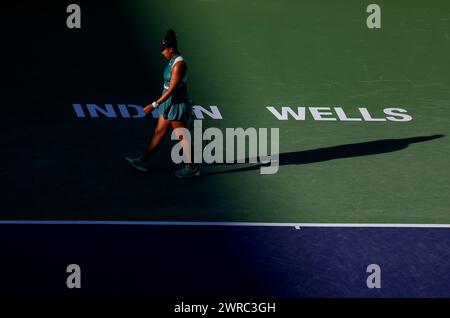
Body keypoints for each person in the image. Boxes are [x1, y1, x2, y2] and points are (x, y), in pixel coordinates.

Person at [125, 29, 200, 178]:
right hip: (168, 104)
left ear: (170, 49)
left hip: (176, 105)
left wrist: (154, 105)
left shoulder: (179, 65)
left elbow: (172, 90)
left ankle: (192, 168)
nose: (162, 53)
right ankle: (142, 162)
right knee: (159, 132)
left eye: (163, 50)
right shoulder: (172, 61)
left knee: (182, 137)